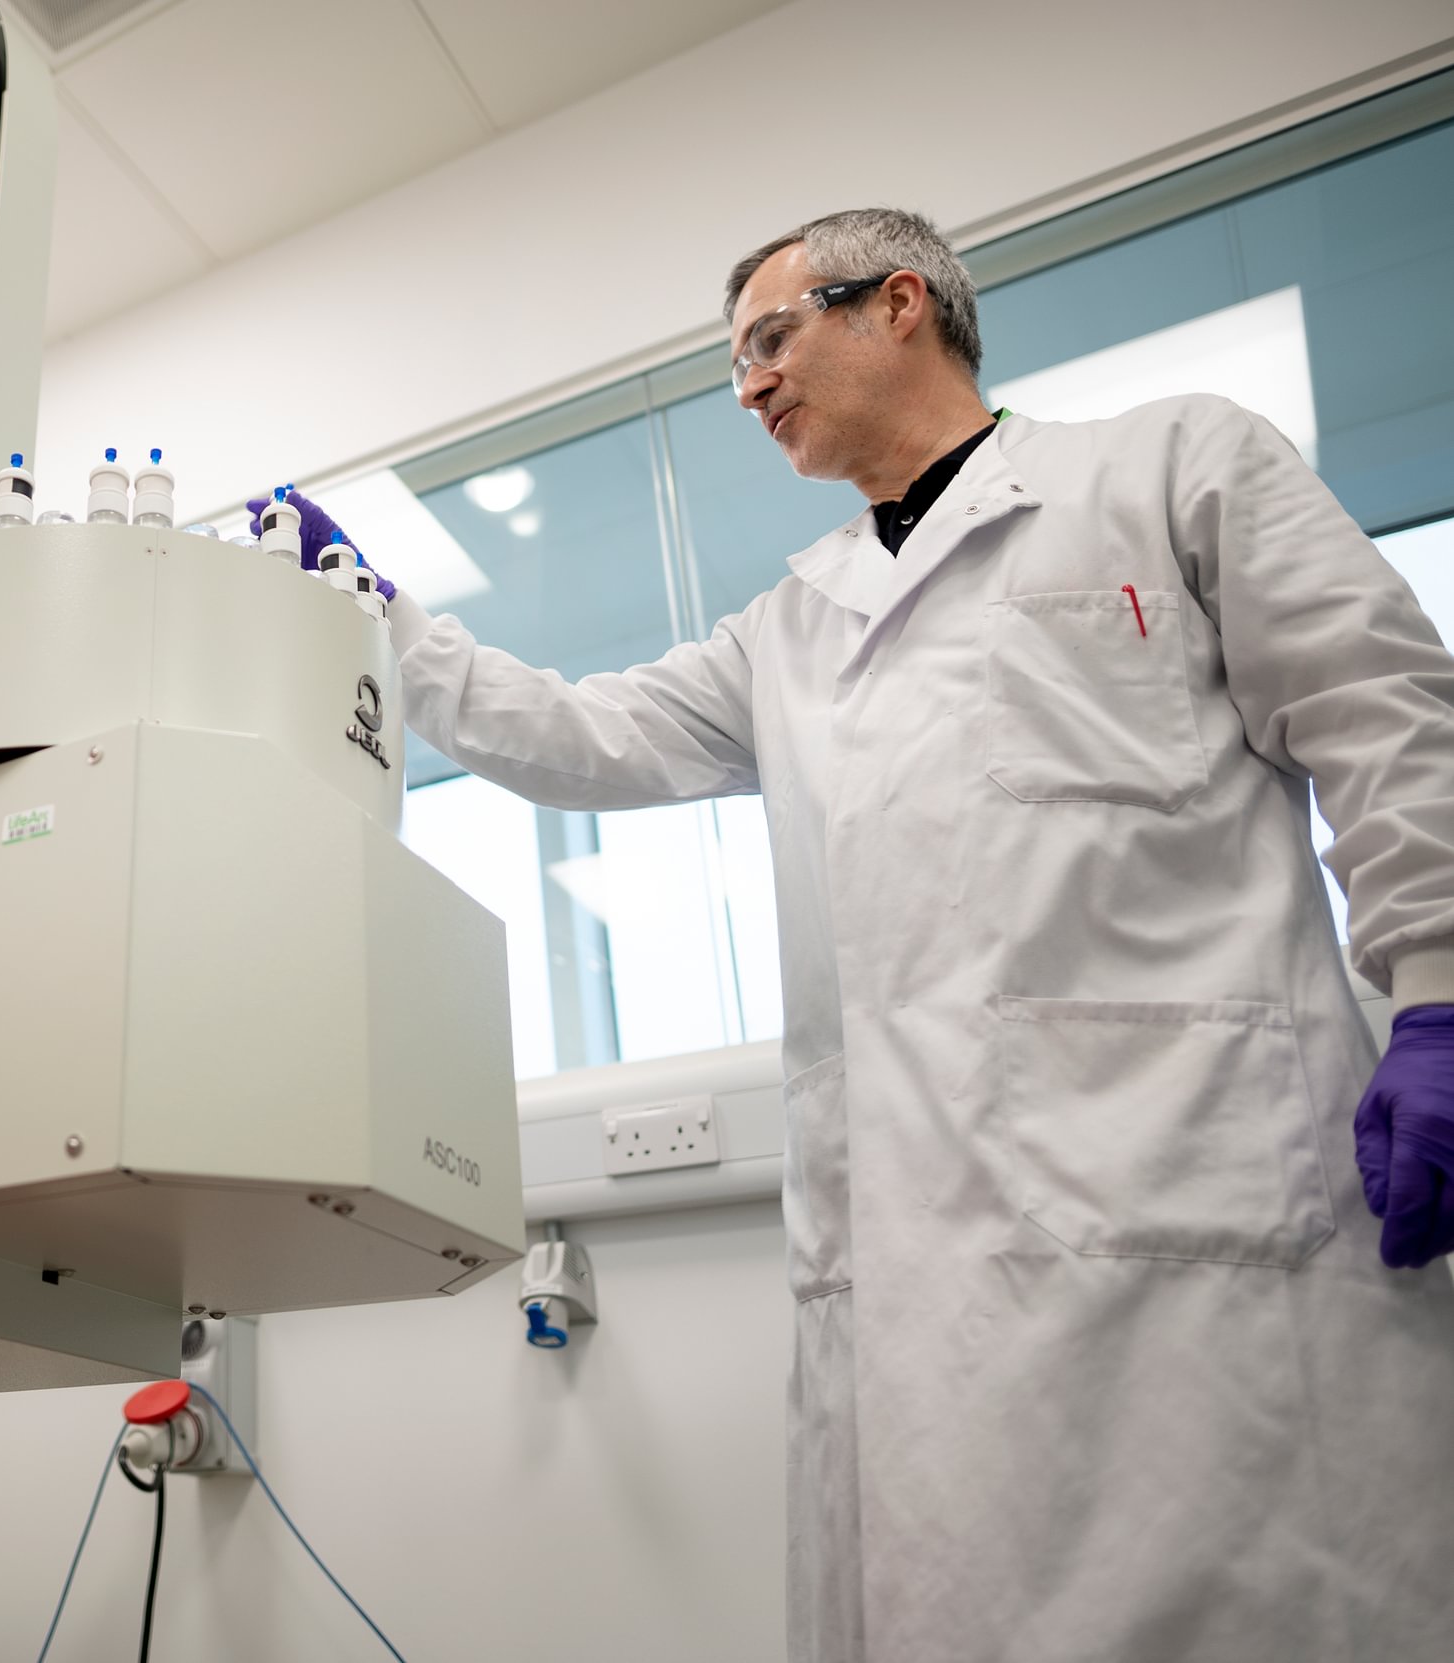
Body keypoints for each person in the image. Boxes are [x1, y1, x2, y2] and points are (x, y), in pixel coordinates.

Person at [255, 207, 1454, 1663]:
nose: (750, 386)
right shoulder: (792, 627)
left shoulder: (1171, 466)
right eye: (736, 364)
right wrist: (386, 619)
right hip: (917, 1273)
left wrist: (1438, 995)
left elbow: (1386, 719)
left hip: (1203, 1210)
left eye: (770, 339)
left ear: (900, 304)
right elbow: (588, 740)